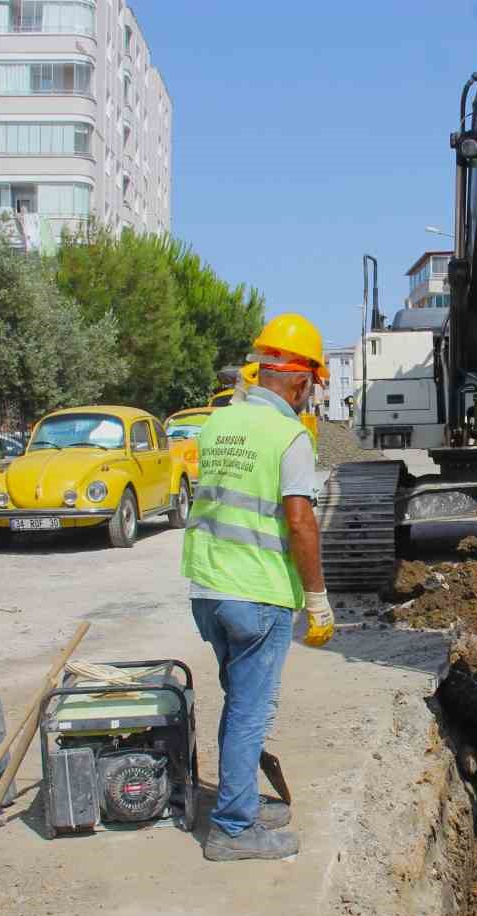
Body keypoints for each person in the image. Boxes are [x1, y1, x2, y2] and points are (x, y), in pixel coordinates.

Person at [180, 312, 335, 862]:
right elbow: (300, 521)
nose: (310, 397)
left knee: (238, 703)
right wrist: (316, 598)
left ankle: (238, 798)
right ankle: (232, 828)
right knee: (250, 711)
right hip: (258, 595)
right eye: (312, 386)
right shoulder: (289, 435)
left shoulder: (220, 423)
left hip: (208, 589)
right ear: (298, 381)